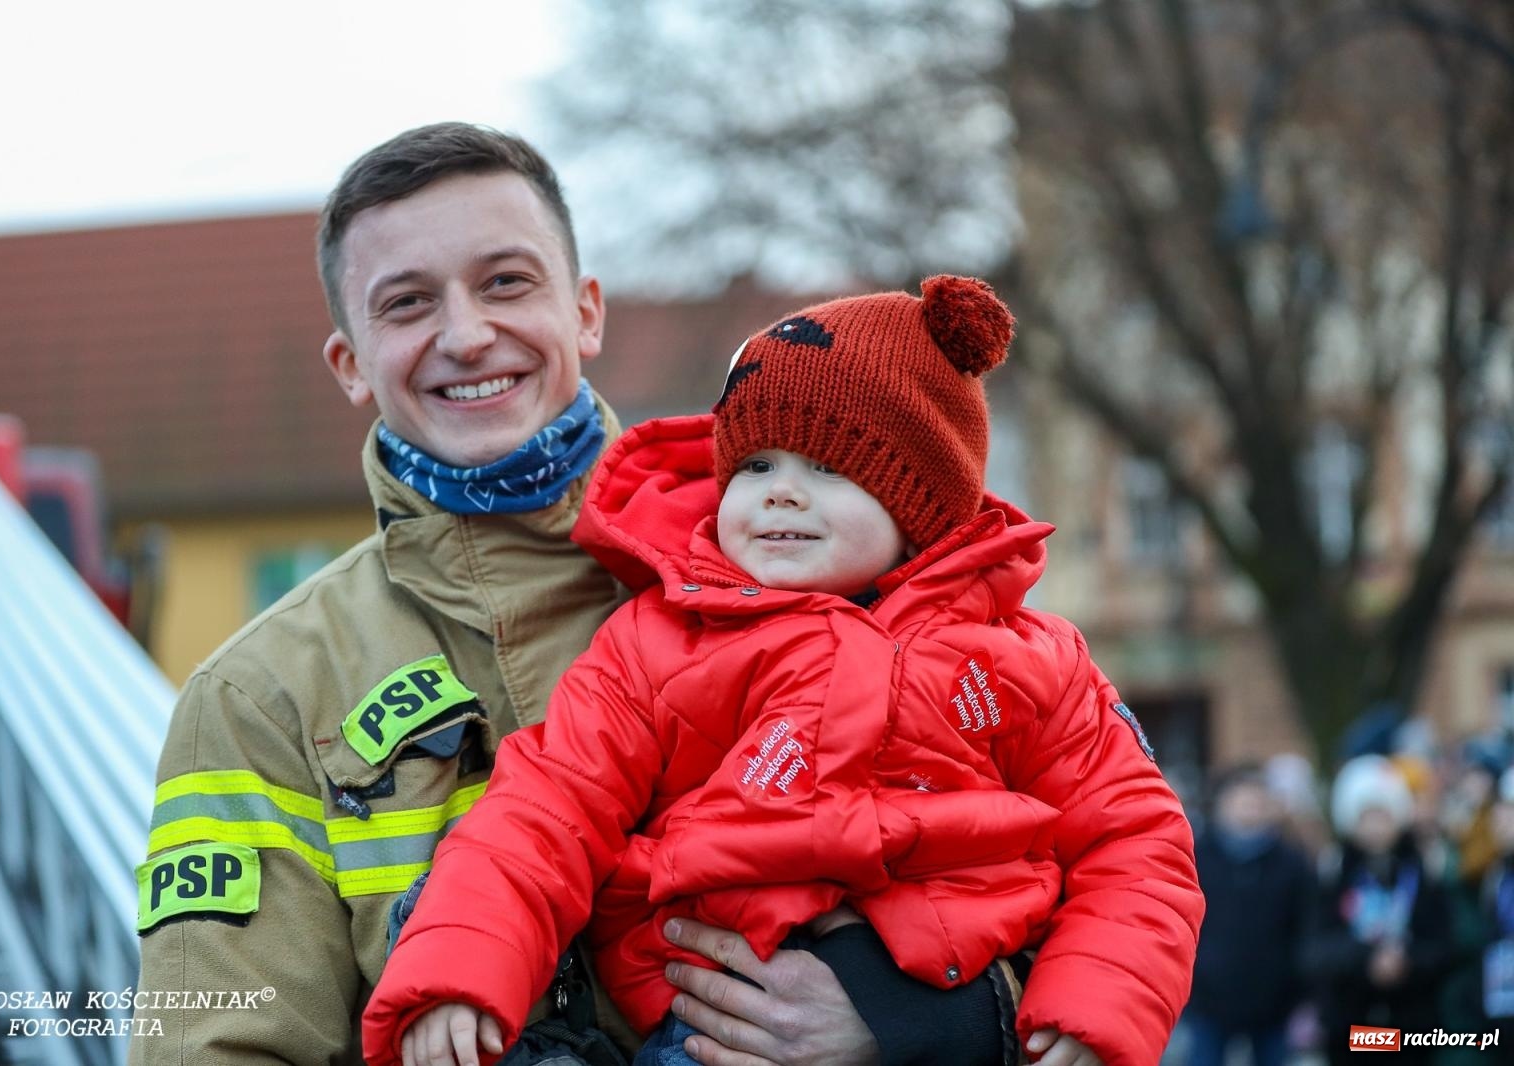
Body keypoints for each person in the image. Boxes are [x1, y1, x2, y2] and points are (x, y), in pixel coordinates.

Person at [129, 122, 937, 1066]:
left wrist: (909, 1024)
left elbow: (1089, 872)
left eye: (506, 281)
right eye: (407, 302)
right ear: (351, 364)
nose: (468, 336)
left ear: (587, 312)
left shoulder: (820, 560)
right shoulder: (257, 696)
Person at [361, 278, 1204, 1066]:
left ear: (921, 509)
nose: (780, 494)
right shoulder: (658, 642)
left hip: (951, 1005)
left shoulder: (1026, 656)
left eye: (829, 468)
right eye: (755, 466)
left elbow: (1133, 840)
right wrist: (461, 968)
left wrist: (1092, 1009)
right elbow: (545, 807)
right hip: (710, 1023)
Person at [1302, 754, 1453, 1066]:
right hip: (1350, 1022)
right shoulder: (1335, 871)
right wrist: (1366, 959)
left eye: (1382, 815)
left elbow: (1443, 943)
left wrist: (1407, 961)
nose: (1374, 827)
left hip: (1411, 1022)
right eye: (1365, 816)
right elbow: (1316, 948)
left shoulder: (1422, 869)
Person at [1185, 764, 1313, 1066]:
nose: (1251, 809)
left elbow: (1305, 927)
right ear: (1222, 804)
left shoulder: (1292, 863)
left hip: (1274, 1001)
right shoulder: (1197, 855)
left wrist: (1301, 990)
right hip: (1207, 999)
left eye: (1258, 801)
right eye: (1242, 800)